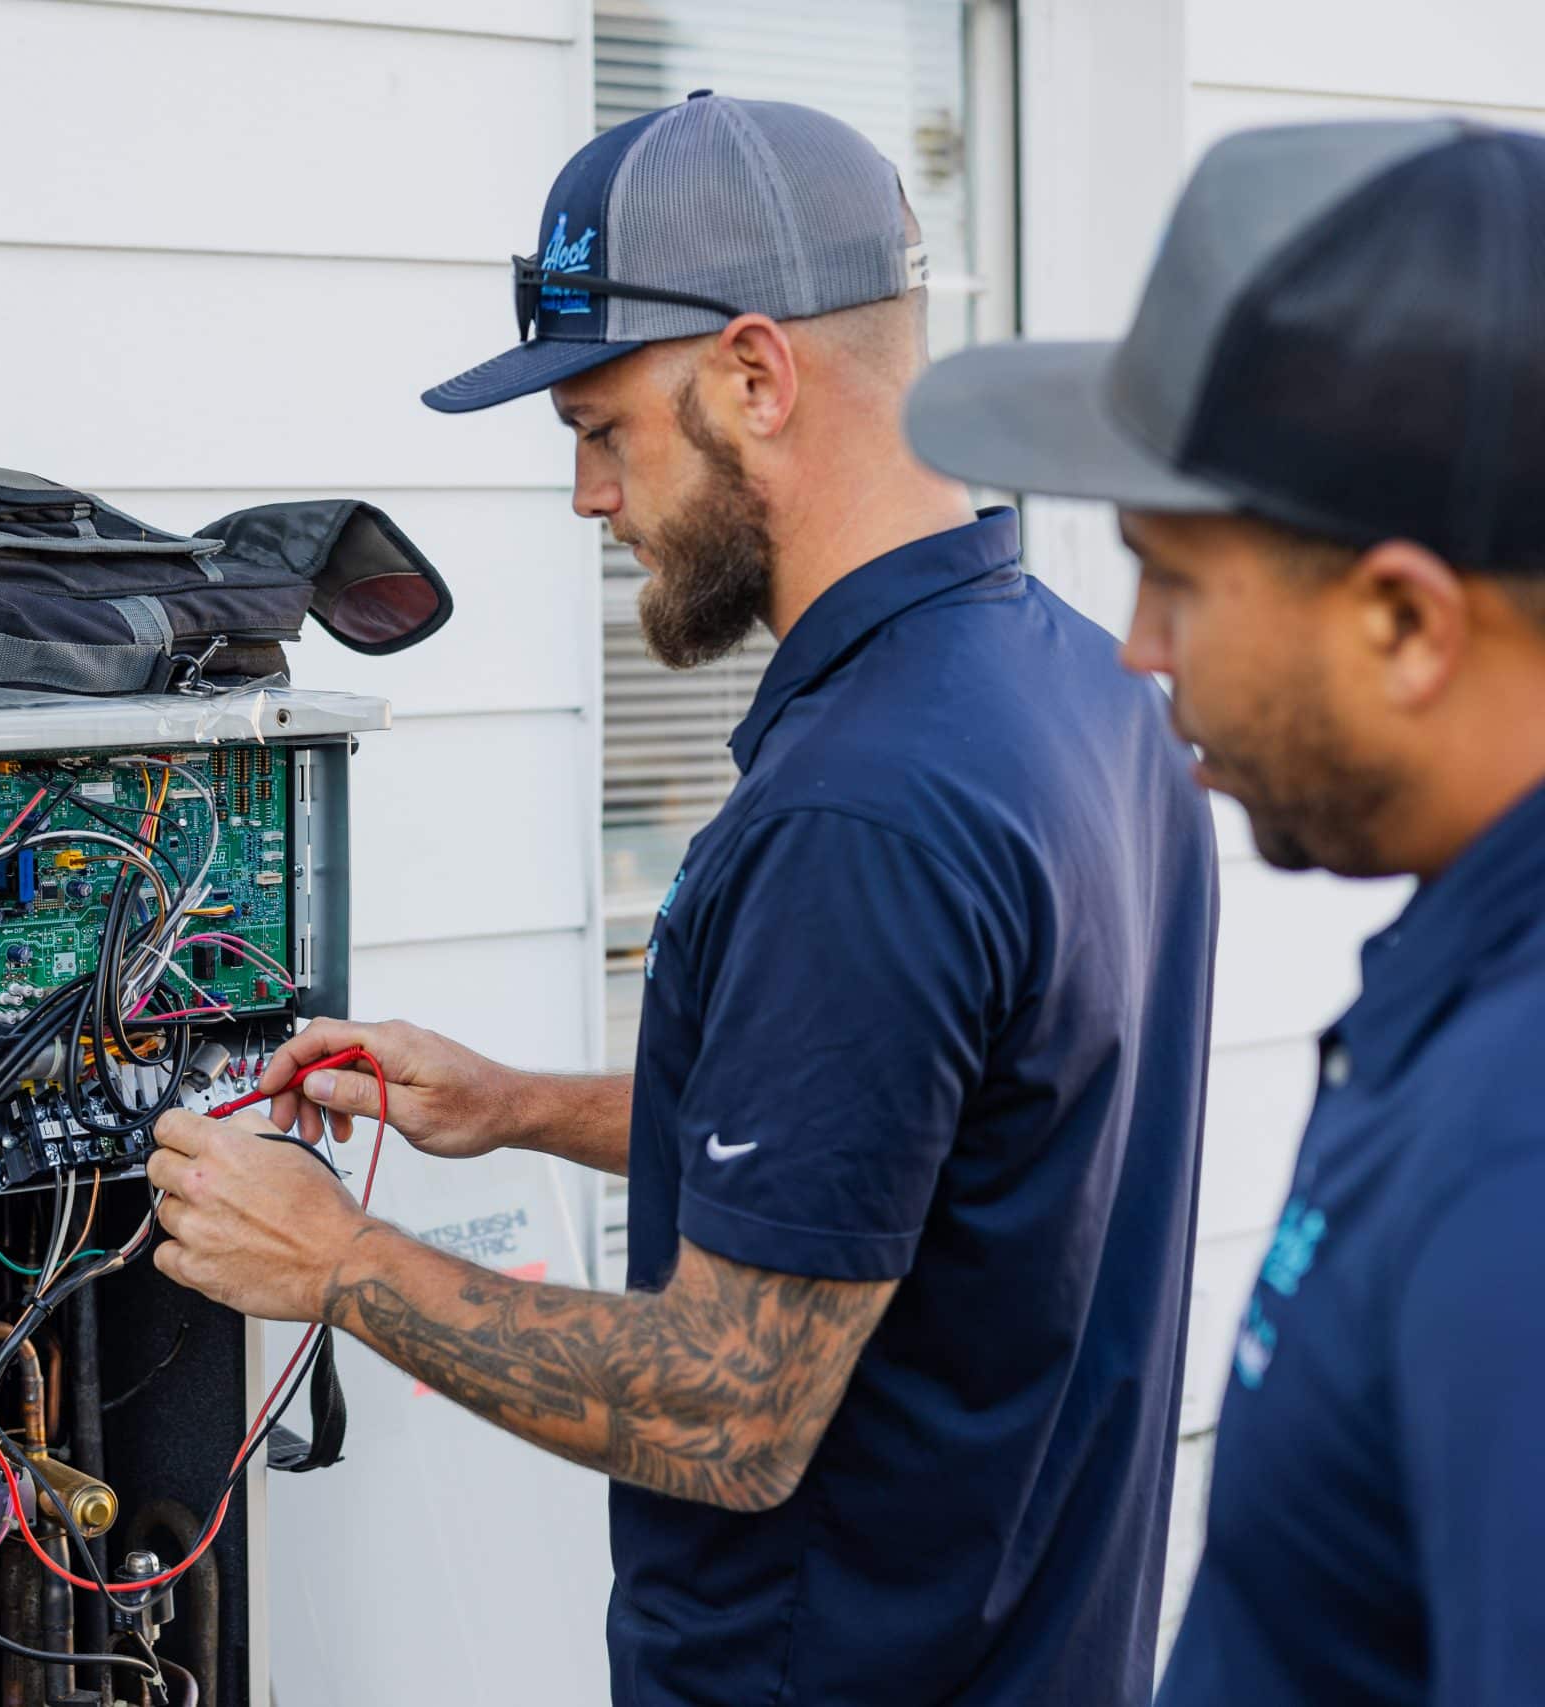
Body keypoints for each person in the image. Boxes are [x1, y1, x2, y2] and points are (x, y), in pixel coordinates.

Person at [145, 92, 1219, 1706]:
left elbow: (731, 1416)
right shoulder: (1082, 693)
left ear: (754, 375)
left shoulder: (867, 810)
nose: (590, 499)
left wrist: (336, 1259)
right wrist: (517, 1107)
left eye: (601, 430)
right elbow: (926, 1149)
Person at [906, 116, 1545, 1706]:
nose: (1135, 648)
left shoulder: (1516, 1157)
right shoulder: (1471, 988)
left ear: (1404, 621)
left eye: (1169, 574)